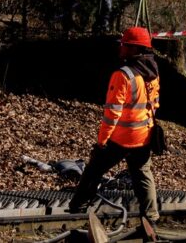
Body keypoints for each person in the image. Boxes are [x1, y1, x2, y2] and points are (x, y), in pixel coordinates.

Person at [68, 26, 162, 235]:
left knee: (94, 169)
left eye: (124, 45)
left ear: (134, 48)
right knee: (144, 176)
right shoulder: (152, 71)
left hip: (121, 138)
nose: (120, 47)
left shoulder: (123, 75)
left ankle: (77, 208)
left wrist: (102, 141)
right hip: (144, 136)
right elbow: (154, 104)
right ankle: (151, 219)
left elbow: (112, 113)